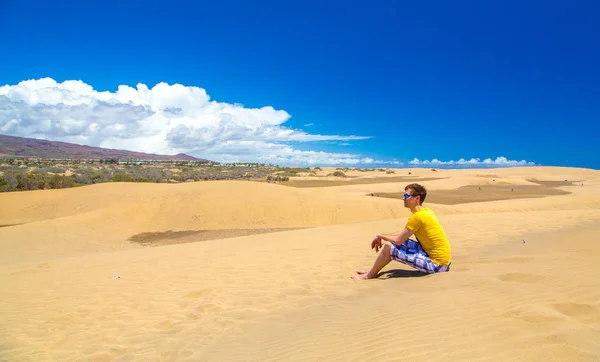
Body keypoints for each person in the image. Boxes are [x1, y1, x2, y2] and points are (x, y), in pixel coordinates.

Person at [351, 183, 451, 280]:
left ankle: (369, 275)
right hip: (439, 259)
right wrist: (382, 237)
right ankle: (371, 271)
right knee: (392, 242)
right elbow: (403, 235)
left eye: (406, 195)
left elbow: (398, 240)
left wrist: (380, 235)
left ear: (417, 198)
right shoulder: (426, 212)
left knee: (388, 247)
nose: (403, 198)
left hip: (437, 265)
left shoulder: (418, 217)